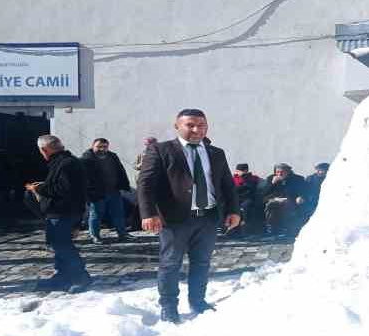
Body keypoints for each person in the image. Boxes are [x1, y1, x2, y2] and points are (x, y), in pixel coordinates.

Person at [138, 108, 240, 323]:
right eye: (190, 125)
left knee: (202, 262)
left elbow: (227, 184)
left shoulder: (216, 153)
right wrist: (148, 213)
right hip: (175, 219)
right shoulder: (161, 150)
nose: (196, 129)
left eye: (201, 125)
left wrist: (233, 210)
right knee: (170, 263)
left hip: (208, 217)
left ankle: (198, 300)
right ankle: (168, 306)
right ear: (177, 126)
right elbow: (145, 184)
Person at [26, 135, 91, 292]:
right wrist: (44, 185)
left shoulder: (67, 163)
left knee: (64, 247)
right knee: (58, 247)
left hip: (64, 212)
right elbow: (60, 184)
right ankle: (61, 276)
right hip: (59, 212)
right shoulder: (62, 161)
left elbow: (65, 189)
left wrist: (39, 189)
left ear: (44, 149)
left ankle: (81, 278)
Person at [82, 138, 136, 244]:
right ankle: (95, 236)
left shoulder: (112, 156)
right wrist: (88, 192)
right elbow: (83, 178)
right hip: (97, 193)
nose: (102, 149)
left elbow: (120, 170)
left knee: (119, 214)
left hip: (114, 191)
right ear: (93, 146)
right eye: (99, 146)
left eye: (105, 147)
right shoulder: (86, 159)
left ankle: (122, 234)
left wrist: (124, 184)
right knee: (96, 215)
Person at [263, 163, 308, 235]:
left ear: (288, 172)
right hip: (275, 200)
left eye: (282, 172)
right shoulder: (271, 178)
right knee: (272, 205)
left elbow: (304, 191)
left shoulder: (297, 179)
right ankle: (272, 229)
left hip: (291, 200)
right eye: (277, 172)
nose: (279, 174)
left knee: (288, 206)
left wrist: (301, 196)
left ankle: (289, 229)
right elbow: (264, 193)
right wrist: (272, 184)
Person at [232, 163, 261, 233]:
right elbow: (232, 189)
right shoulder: (233, 178)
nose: (239, 172)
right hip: (237, 198)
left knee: (246, 206)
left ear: (246, 170)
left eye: (241, 170)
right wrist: (242, 187)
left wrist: (244, 180)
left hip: (248, 198)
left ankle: (245, 225)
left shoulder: (252, 178)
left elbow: (252, 188)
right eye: (238, 170)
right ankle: (233, 228)